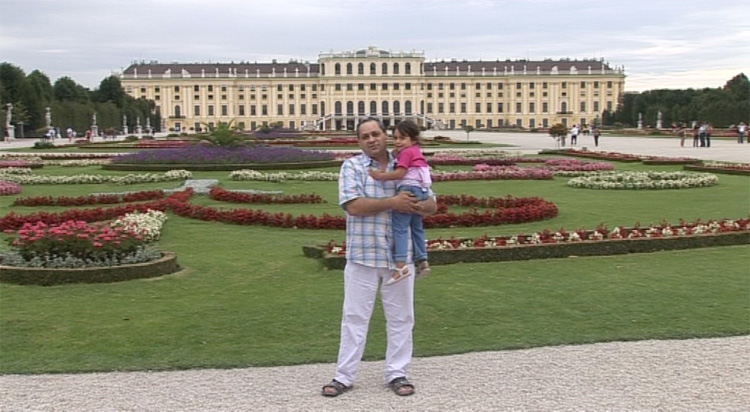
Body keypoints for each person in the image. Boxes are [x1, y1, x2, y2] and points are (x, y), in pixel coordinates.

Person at [322, 117, 436, 398]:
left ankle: (397, 372)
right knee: (354, 318)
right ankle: (344, 376)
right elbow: (354, 206)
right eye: (365, 136)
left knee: (402, 318)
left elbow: (432, 204)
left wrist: (419, 205)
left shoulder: (409, 160)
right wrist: (394, 203)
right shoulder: (352, 166)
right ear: (359, 142)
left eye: (376, 134)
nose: (372, 139)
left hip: (401, 256)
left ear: (386, 136)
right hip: (364, 254)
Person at [368, 120, 432, 286]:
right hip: (421, 191)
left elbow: (401, 172)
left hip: (407, 189)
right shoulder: (416, 151)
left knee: (400, 228)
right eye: (395, 138)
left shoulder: (407, 153)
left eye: (402, 138)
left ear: (413, 139)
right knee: (417, 228)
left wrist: (380, 176)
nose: (397, 142)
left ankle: (400, 266)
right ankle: (422, 260)